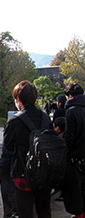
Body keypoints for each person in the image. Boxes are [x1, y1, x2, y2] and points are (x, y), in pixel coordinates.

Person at [4, 80, 53, 218]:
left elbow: (7, 147)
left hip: (22, 173)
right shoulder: (45, 117)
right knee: (44, 211)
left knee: (25, 213)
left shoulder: (14, 121)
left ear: (18, 99)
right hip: (44, 173)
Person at [62, 83, 85, 217]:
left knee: (75, 192)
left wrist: (64, 154)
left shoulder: (71, 111)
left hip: (75, 160)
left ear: (70, 96)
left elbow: (69, 138)